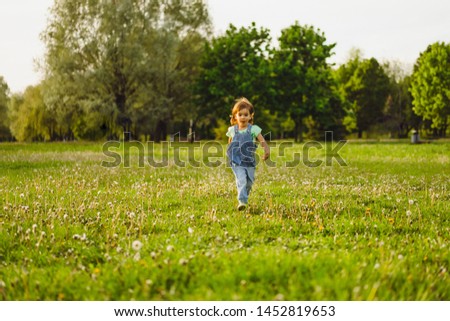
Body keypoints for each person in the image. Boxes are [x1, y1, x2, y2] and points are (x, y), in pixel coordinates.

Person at [226, 97, 270, 211]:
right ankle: (242, 201)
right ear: (235, 116)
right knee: (241, 180)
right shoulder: (232, 130)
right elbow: (230, 142)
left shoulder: (253, 129)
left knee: (249, 183)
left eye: (246, 115)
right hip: (237, 161)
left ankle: (245, 194)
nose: (243, 117)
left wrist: (266, 150)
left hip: (249, 161)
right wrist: (230, 153)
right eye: (240, 114)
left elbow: (262, 140)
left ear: (250, 116)